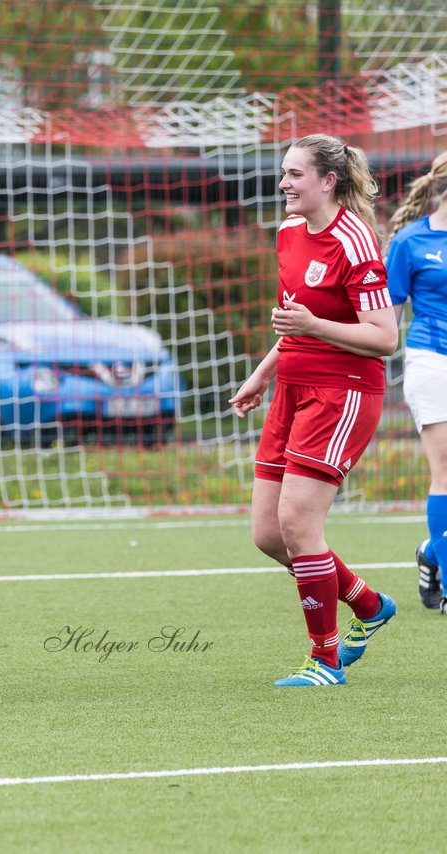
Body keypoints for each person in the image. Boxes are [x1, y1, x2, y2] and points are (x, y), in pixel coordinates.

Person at [231, 133, 399, 686]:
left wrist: (313, 328)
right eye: (283, 172)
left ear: (329, 181)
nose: (284, 183)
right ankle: (370, 605)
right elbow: (292, 318)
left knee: (300, 524)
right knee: (268, 534)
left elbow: (384, 337)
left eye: (295, 174)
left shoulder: (355, 241)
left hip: (343, 392)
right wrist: (260, 376)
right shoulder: (286, 232)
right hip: (292, 391)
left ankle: (324, 660)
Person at [384, 151, 447, 616]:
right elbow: (385, 323)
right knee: (445, 470)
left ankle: (431, 551)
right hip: (431, 361)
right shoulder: (409, 242)